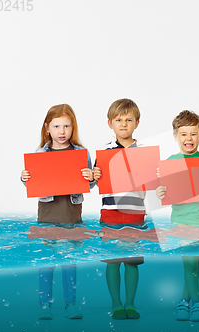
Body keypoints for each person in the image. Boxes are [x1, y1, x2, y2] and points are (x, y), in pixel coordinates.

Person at [21, 104, 95, 320]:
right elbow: (33, 184)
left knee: (69, 263)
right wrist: (24, 178)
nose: (62, 131)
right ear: (47, 128)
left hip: (72, 217)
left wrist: (91, 177)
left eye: (66, 126)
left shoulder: (81, 153)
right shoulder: (39, 153)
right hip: (47, 217)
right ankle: (45, 305)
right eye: (57, 126)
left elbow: (89, 186)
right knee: (46, 263)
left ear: (73, 128)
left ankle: (70, 304)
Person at [156, 110, 199, 322]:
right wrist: (160, 191)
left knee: (194, 265)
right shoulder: (171, 162)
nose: (188, 139)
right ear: (175, 136)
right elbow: (164, 192)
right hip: (180, 220)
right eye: (183, 134)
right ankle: (197, 302)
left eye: (193, 134)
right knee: (188, 263)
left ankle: (184, 299)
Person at [93, 98, 146, 320]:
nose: (123, 124)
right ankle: (116, 304)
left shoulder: (144, 151)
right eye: (118, 120)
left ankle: (130, 304)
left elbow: (152, 182)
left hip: (135, 213)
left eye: (128, 120)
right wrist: (94, 176)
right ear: (110, 123)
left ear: (137, 123)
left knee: (132, 262)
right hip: (110, 213)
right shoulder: (104, 152)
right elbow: (94, 182)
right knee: (113, 261)